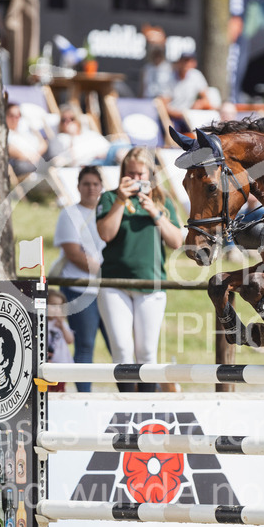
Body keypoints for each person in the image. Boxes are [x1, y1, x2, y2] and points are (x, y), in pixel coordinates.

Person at [96, 147, 185, 392]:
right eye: (130, 174)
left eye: (140, 175)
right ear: (122, 174)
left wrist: (155, 213)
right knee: (122, 349)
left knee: (146, 351)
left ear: (151, 174)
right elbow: (105, 234)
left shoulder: (162, 199)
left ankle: (146, 405)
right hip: (115, 284)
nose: (135, 180)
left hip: (151, 282)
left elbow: (176, 241)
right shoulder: (109, 197)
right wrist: (121, 202)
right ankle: (126, 402)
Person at [53, 165, 107, 392]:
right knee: (85, 344)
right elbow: (73, 252)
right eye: (86, 183)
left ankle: (132, 392)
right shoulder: (69, 214)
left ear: (101, 187)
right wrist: (105, 273)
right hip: (79, 286)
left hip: (108, 289)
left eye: (95, 184)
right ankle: (85, 395)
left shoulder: (108, 212)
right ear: (78, 187)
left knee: (119, 345)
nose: (91, 188)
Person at [159, 51, 214, 126]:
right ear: (179, 62)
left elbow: (206, 99)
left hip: (191, 116)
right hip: (173, 118)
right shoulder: (168, 78)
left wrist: (198, 104)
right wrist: (180, 114)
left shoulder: (196, 75)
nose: (187, 64)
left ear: (194, 63)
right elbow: (163, 104)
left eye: (189, 61)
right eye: (184, 61)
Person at [6, 102, 47, 178]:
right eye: (11, 116)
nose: (15, 119)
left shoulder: (25, 126)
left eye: (18, 116)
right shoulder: (5, 133)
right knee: (24, 166)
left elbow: (43, 143)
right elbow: (10, 150)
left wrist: (37, 155)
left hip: (37, 157)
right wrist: (29, 157)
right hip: (22, 162)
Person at [45, 290, 74, 393]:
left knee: (60, 390)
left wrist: (62, 325)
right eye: (53, 305)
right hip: (48, 364)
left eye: (59, 306)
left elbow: (70, 340)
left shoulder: (62, 323)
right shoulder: (42, 323)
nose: (56, 309)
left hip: (61, 363)